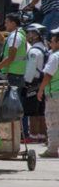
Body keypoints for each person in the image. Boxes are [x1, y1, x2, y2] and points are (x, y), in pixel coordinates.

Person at [36, 28, 59, 158]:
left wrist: (40, 90)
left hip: (54, 93)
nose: (50, 44)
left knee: (53, 122)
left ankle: (52, 149)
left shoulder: (55, 56)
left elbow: (48, 75)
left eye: (52, 42)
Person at [24, 23, 48, 143]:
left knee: (32, 111)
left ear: (35, 34)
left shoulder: (34, 51)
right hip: (42, 83)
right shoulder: (44, 48)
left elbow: (30, 70)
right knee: (41, 111)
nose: (28, 35)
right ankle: (42, 135)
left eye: (29, 33)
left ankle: (33, 135)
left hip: (33, 83)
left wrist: (26, 82)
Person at [0, 13, 27, 90]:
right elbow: (2, 40)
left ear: (13, 23)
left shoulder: (15, 36)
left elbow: (10, 57)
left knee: (10, 101)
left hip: (13, 75)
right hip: (14, 74)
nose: (5, 25)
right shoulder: (15, 35)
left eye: (6, 22)